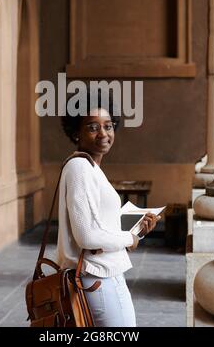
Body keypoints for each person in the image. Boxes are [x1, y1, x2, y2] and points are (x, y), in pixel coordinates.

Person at [56, 90, 159, 327]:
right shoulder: (80, 168)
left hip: (104, 274)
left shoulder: (91, 168)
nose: (103, 133)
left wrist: (138, 231)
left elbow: (98, 224)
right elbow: (88, 236)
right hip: (97, 278)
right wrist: (129, 239)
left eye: (108, 125)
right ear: (76, 133)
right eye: (93, 127)